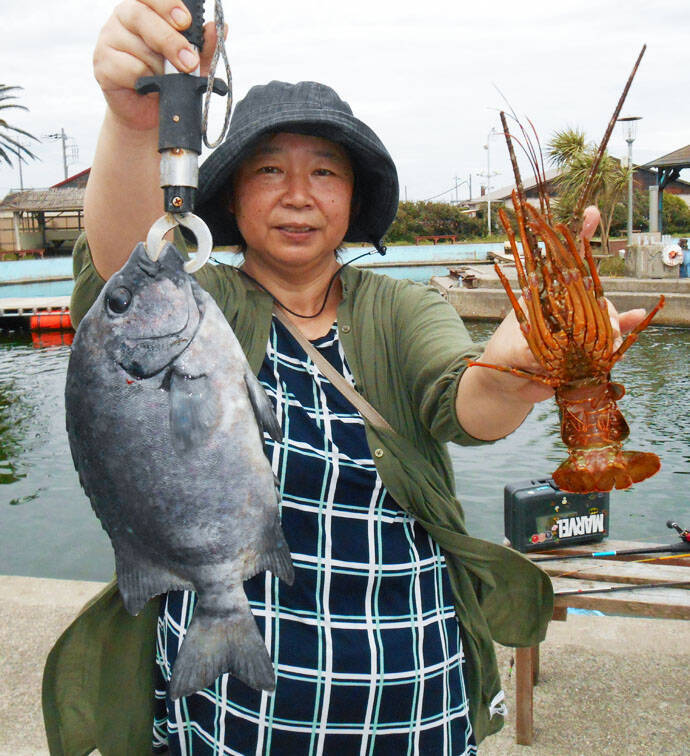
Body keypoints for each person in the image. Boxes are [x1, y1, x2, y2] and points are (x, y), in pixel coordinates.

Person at [44, 2, 649, 754]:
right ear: (229, 195)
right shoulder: (203, 303)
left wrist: (515, 368)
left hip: (415, 697)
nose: (298, 194)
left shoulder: (397, 308)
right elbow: (123, 264)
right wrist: (135, 124)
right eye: (269, 170)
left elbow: (463, 401)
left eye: (324, 172)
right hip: (238, 717)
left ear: (353, 199)